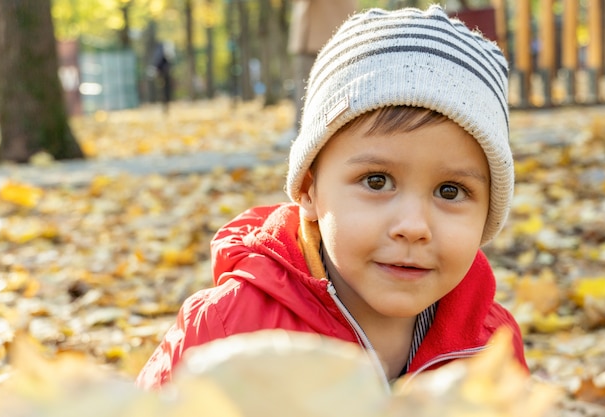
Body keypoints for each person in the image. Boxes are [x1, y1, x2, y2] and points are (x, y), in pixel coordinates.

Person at [137, 5, 527, 390]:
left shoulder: (491, 349)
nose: (413, 226)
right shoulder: (230, 332)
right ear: (308, 189)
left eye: (450, 191)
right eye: (377, 181)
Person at [276, 0, 358, 149]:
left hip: (328, 27)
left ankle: (306, 132)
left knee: (329, 83)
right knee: (307, 82)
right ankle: (304, 131)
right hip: (312, 29)